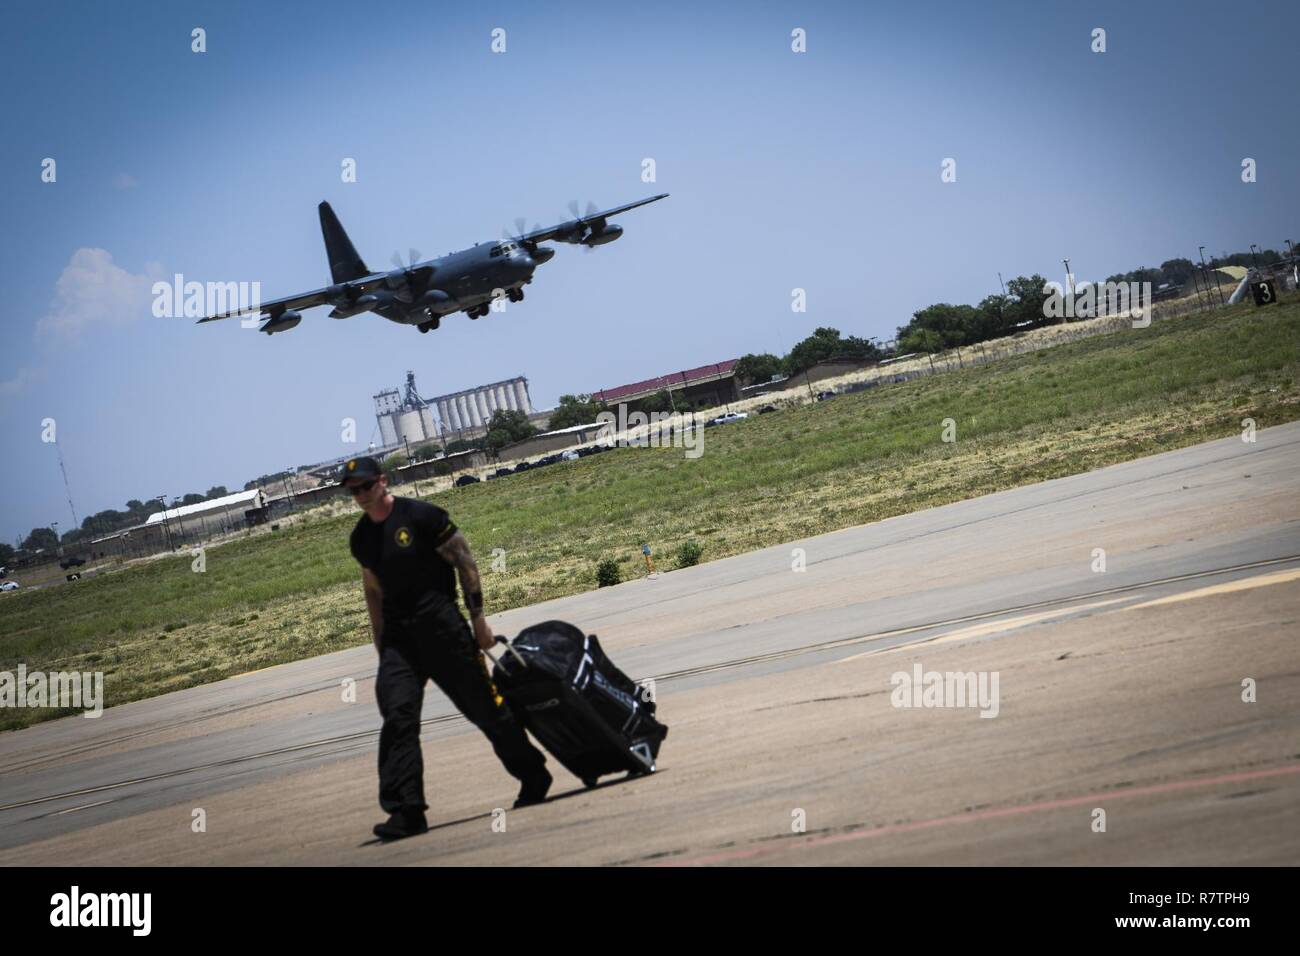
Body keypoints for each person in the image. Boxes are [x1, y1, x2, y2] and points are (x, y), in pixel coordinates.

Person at [340, 456, 551, 840]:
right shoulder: (362, 539)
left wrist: (479, 621)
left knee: (486, 710)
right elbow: (373, 590)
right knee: (398, 718)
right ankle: (407, 811)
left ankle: (534, 775)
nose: (360, 495)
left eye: (365, 486)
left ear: (382, 482)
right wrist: (381, 645)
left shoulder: (422, 516)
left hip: (445, 632)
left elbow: (464, 561)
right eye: (353, 490)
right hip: (400, 644)